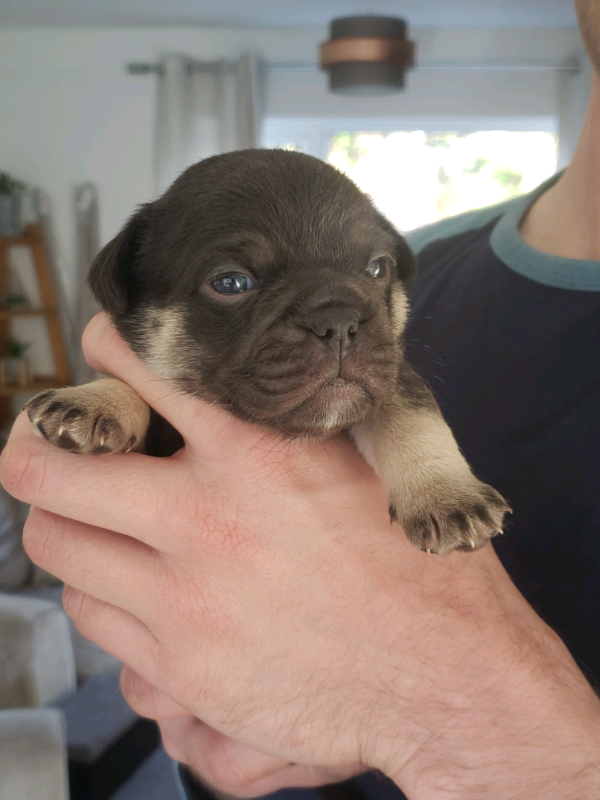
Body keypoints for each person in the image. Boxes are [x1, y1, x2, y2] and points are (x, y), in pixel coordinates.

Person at [2, 3, 600, 799]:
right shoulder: (450, 257)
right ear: (132, 298)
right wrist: (117, 403)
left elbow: (401, 406)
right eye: (234, 282)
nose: (342, 326)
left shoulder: (406, 346)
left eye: (374, 275)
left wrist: (478, 722)